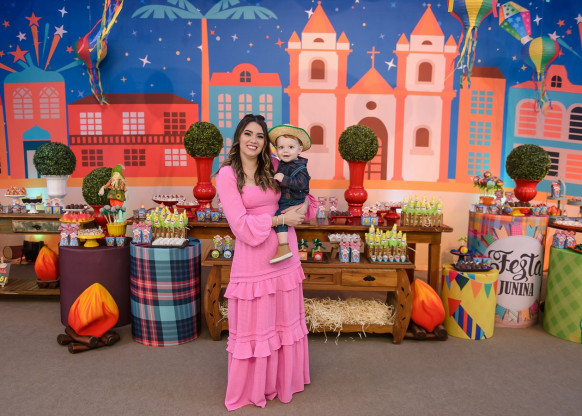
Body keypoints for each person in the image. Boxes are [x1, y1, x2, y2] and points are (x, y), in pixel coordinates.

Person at [215, 114, 316, 411]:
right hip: (254, 259)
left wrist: (303, 205)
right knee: (256, 326)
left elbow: (301, 194)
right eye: (248, 134)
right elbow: (240, 225)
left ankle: (283, 381)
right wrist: (280, 219)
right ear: (238, 137)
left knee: (282, 321)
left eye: (260, 136)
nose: (254, 140)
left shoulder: (274, 164)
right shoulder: (227, 174)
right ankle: (255, 386)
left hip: (285, 256)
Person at [268, 125, 311, 264]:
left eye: (291, 147)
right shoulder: (281, 164)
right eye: (281, 147)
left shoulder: (300, 167)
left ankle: (283, 246)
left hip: (292, 201)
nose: (285, 151)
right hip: (286, 199)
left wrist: (284, 179)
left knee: (280, 216)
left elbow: (303, 185)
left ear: (300, 149)